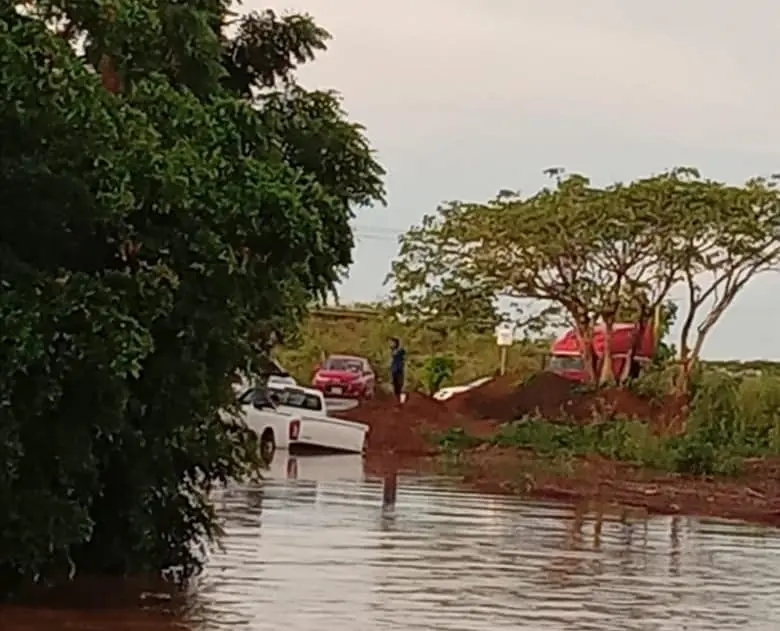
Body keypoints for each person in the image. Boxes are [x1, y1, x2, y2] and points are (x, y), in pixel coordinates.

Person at [389, 337, 406, 401]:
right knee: (395, 387)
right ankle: (397, 401)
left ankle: (401, 401)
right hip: (394, 370)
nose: (391, 344)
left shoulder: (400, 350)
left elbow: (403, 352)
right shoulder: (393, 350)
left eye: (393, 343)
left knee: (400, 386)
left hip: (399, 370)